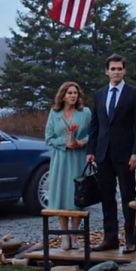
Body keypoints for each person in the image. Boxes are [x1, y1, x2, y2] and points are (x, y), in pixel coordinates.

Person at [86, 54, 136, 253]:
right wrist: (90, 150)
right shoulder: (99, 94)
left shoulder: (134, 94)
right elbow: (95, 124)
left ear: (124, 71)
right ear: (107, 71)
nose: (116, 72)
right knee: (107, 197)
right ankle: (110, 238)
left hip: (126, 154)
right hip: (103, 154)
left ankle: (131, 239)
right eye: (113, 69)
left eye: (120, 68)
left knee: (128, 196)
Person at [45, 82, 91, 251]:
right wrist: (64, 143)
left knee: (77, 194)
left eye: (75, 93)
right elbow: (49, 137)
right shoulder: (54, 113)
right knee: (62, 194)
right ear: (63, 95)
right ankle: (64, 235)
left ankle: (74, 235)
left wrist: (81, 142)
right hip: (61, 158)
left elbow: (92, 134)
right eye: (70, 93)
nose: (73, 96)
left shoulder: (85, 113)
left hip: (78, 158)